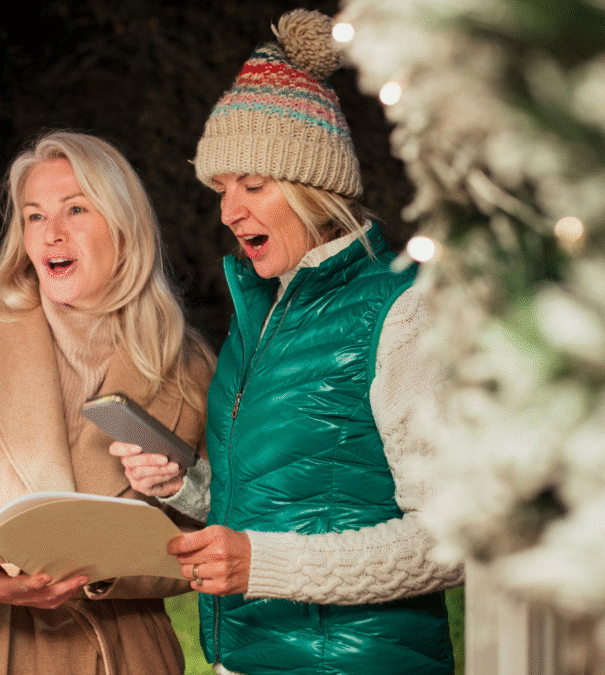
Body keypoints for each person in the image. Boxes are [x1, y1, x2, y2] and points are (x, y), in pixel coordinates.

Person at [110, 10, 464, 675]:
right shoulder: (261, 319)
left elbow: (450, 539)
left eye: (253, 184)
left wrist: (259, 563)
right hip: (248, 660)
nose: (228, 210)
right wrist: (184, 485)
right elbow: (277, 500)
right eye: (221, 188)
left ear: (314, 188)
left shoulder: (402, 308)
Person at [0, 131, 215, 675]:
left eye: (75, 209)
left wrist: (108, 566)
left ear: (125, 230)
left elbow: (206, 535)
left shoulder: (190, 367)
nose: (51, 233)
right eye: (34, 216)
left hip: (120, 652)